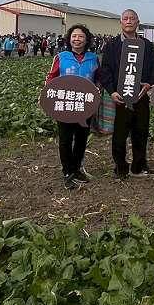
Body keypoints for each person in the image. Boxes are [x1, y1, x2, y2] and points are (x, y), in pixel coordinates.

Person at [99, 9, 154, 179]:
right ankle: (121, 167)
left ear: (137, 22)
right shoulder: (112, 45)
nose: (129, 21)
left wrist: (149, 84)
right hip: (120, 97)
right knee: (119, 134)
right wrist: (111, 92)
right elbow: (105, 71)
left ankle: (139, 166)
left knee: (140, 132)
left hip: (141, 96)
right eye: (125, 19)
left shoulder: (147, 45)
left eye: (132, 19)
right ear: (121, 22)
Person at [45, 24, 99, 189]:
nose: (77, 39)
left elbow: (98, 79)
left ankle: (76, 169)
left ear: (86, 39)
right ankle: (67, 172)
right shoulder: (61, 57)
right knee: (65, 140)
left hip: (85, 105)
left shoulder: (93, 58)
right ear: (69, 39)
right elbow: (51, 78)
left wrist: (97, 89)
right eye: (74, 36)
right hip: (65, 104)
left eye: (81, 36)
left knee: (82, 139)